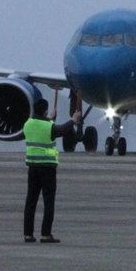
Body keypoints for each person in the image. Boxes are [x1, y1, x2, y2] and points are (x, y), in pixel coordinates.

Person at [22, 97, 82, 243]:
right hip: (47, 168)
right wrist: (74, 120)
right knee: (48, 202)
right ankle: (46, 234)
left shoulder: (27, 124)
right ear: (45, 110)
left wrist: (49, 119)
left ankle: (28, 234)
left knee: (31, 201)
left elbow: (40, 127)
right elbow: (62, 130)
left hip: (32, 167)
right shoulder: (49, 126)